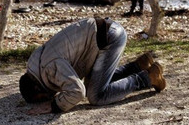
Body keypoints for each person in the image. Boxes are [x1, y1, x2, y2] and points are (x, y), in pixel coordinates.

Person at [19, 17, 166, 114]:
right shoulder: (35, 63)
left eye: (42, 97)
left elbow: (77, 92)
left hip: (109, 39)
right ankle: (138, 66)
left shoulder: (49, 69)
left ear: (38, 86)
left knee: (96, 96)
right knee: (94, 85)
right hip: (104, 33)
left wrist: (53, 106)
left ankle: (147, 78)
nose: (50, 96)